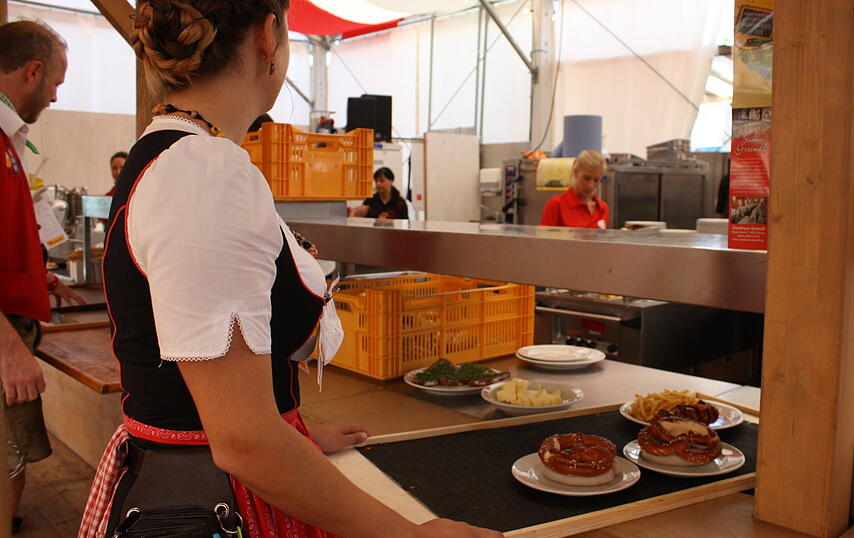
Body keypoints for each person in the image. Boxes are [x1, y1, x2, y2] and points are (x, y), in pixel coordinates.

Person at [78, 3, 500, 537]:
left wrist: (293, 429)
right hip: (214, 502)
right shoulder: (204, 172)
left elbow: (221, 397)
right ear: (268, 36)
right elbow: (244, 442)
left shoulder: (176, 153)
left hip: (195, 471)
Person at [0, 19, 81, 534]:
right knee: (7, 462)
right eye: (55, 83)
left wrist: (36, 276)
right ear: (33, 71)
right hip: (5, 336)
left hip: (16, 319)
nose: (54, 95)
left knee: (15, 462)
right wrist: (8, 346)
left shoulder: (11, 141)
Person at [539, 150, 609, 229]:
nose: (590, 185)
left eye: (596, 180)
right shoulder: (556, 205)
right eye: (586, 178)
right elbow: (545, 240)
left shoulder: (603, 208)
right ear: (575, 172)